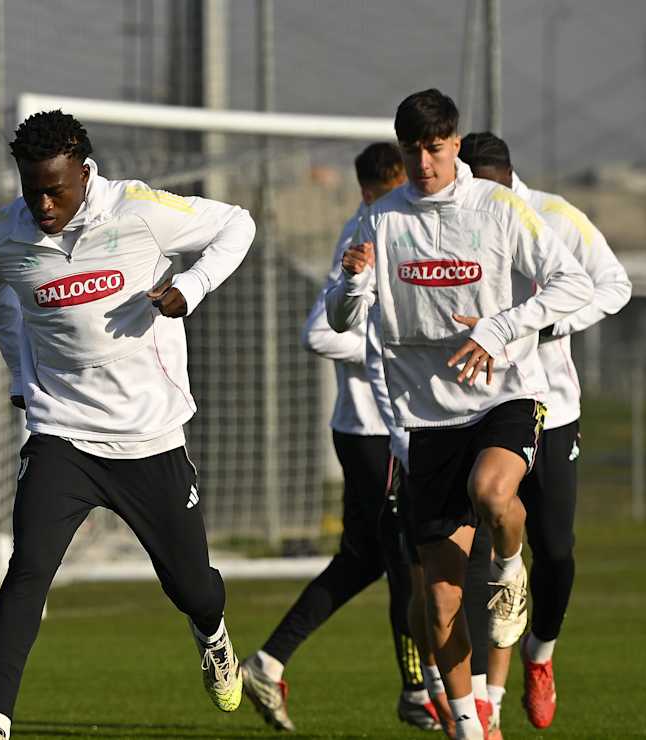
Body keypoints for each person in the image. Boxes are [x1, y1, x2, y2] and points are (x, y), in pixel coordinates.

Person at [0, 110, 255, 740]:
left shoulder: (139, 212)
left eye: (55, 190)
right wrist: (18, 369)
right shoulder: (2, 240)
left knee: (194, 589)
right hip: (61, 432)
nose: (43, 204)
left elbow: (238, 223)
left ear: (84, 173)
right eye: (32, 190)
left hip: (150, 436)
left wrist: (193, 285)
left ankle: (212, 633)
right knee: (28, 568)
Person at [326, 89, 593, 739]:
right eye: (412, 150)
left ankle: (508, 569)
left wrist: (500, 328)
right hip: (429, 419)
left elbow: (575, 284)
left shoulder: (498, 207)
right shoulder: (380, 219)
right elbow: (339, 320)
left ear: (454, 144)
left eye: (435, 149)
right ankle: (472, 729)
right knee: (440, 604)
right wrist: (353, 282)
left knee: (493, 491)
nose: (424, 163)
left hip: (506, 395)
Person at [238, 143, 440, 733]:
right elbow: (319, 334)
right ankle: (417, 690)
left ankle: (268, 663)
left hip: (377, 429)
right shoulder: (365, 234)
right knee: (405, 560)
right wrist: (388, 349)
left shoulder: (397, 230)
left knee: (363, 559)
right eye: (398, 189)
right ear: (374, 191)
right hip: (372, 431)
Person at [459, 131, 632, 734]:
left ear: (508, 180)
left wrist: (546, 326)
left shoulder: (553, 215)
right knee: (475, 556)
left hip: (551, 409)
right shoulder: (451, 220)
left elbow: (615, 285)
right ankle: (483, 703)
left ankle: (540, 653)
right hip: (476, 410)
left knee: (555, 549)